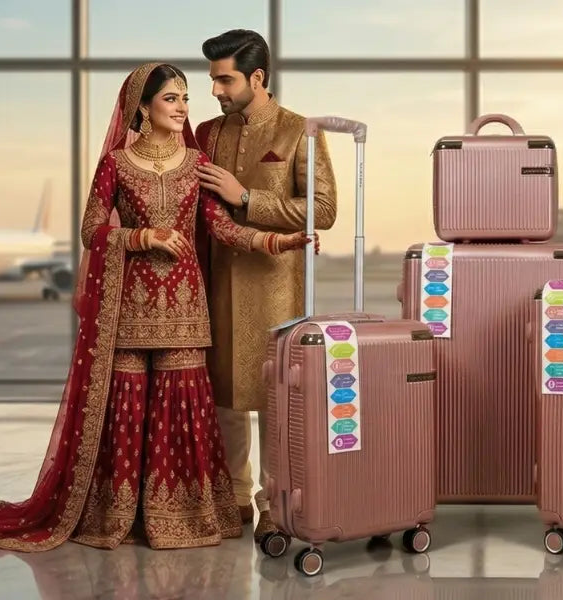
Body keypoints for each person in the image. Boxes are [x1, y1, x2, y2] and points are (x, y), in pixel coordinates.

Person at [0, 62, 313, 552]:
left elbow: (221, 227)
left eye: (186, 97)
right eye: (172, 99)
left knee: (179, 410)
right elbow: (90, 231)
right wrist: (141, 236)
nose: (184, 107)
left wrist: (277, 241)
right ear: (143, 106)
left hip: (183, 307)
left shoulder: (194, 162)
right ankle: (118, 513)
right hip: (129, 308)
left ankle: (182, 512)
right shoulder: (116, 165)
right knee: (127, 409)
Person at [192, 29, 338, 538]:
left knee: (274, 396)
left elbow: (322, 211)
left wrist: (246, 197)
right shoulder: (206, 133)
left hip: (276, 284)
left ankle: (275, 504)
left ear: (257, 77)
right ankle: (231, 498)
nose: (215, 90)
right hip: (214, 283)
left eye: (225, 79)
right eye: (212, 80)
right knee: (224, 397)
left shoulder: (300, 131)